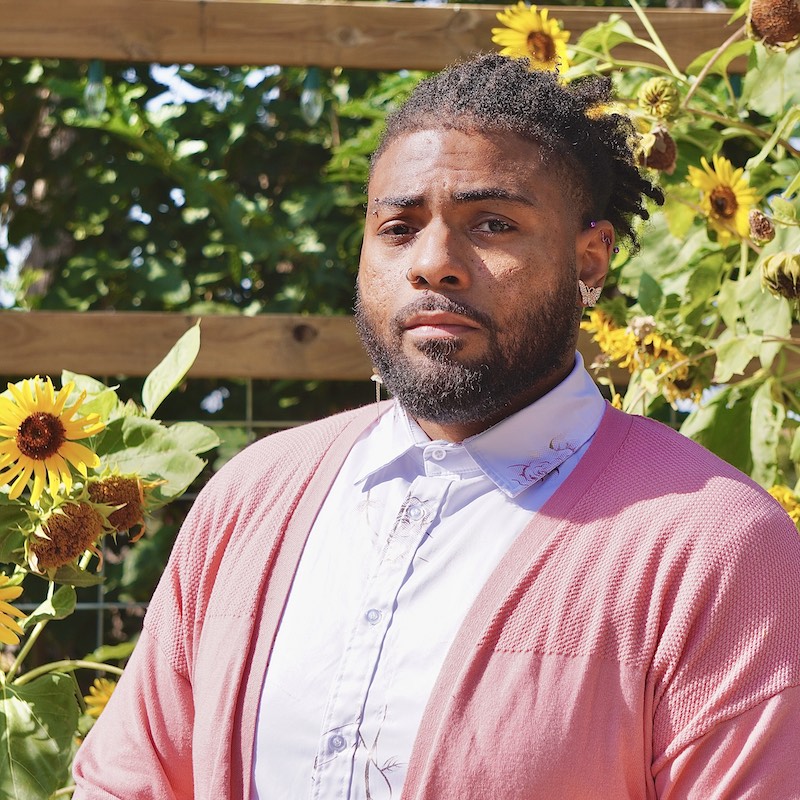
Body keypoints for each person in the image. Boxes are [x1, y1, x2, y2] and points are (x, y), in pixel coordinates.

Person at [73, 54, 800, 799]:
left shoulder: (714, 548)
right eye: (398, 226)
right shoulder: (252, 500)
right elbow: (128, 780)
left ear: (590, 259)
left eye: (492, 224)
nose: (434, 264)